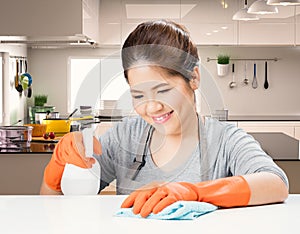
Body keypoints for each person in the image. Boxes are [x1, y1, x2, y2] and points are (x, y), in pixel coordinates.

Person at [40, 20, 289, 218]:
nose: (152, 107)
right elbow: (55, 210)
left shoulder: (224, 140)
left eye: (163, 91)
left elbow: (276, 183)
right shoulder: (127, 136)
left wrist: (192, 192)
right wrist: (58, 170)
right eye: (138, 95)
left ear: (194, 78)